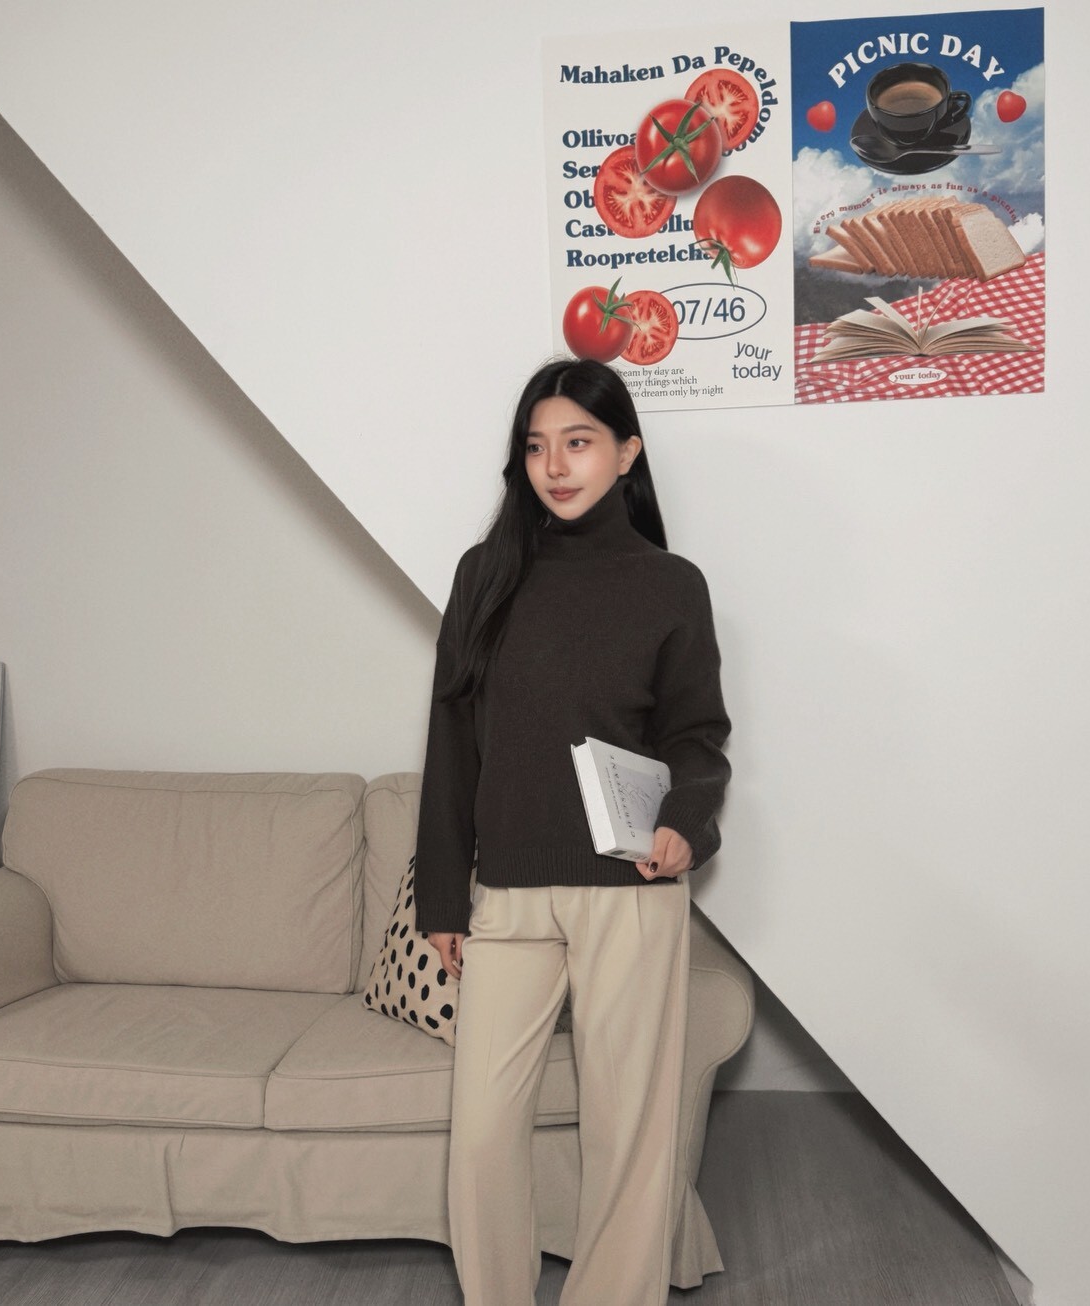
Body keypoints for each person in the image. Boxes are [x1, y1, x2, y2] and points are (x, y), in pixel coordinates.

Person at [414, 357, 731, 1306]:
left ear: (627, 453)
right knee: (481, 1133)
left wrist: (686, 823)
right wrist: (443, 898)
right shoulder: (486, 576)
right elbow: (451, 743)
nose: (555, 466)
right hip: (509, 893)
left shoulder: (671, 585)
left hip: (630, 890)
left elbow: (696, 736)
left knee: (630, 1134)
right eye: (537, 446)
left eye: (579, 442)